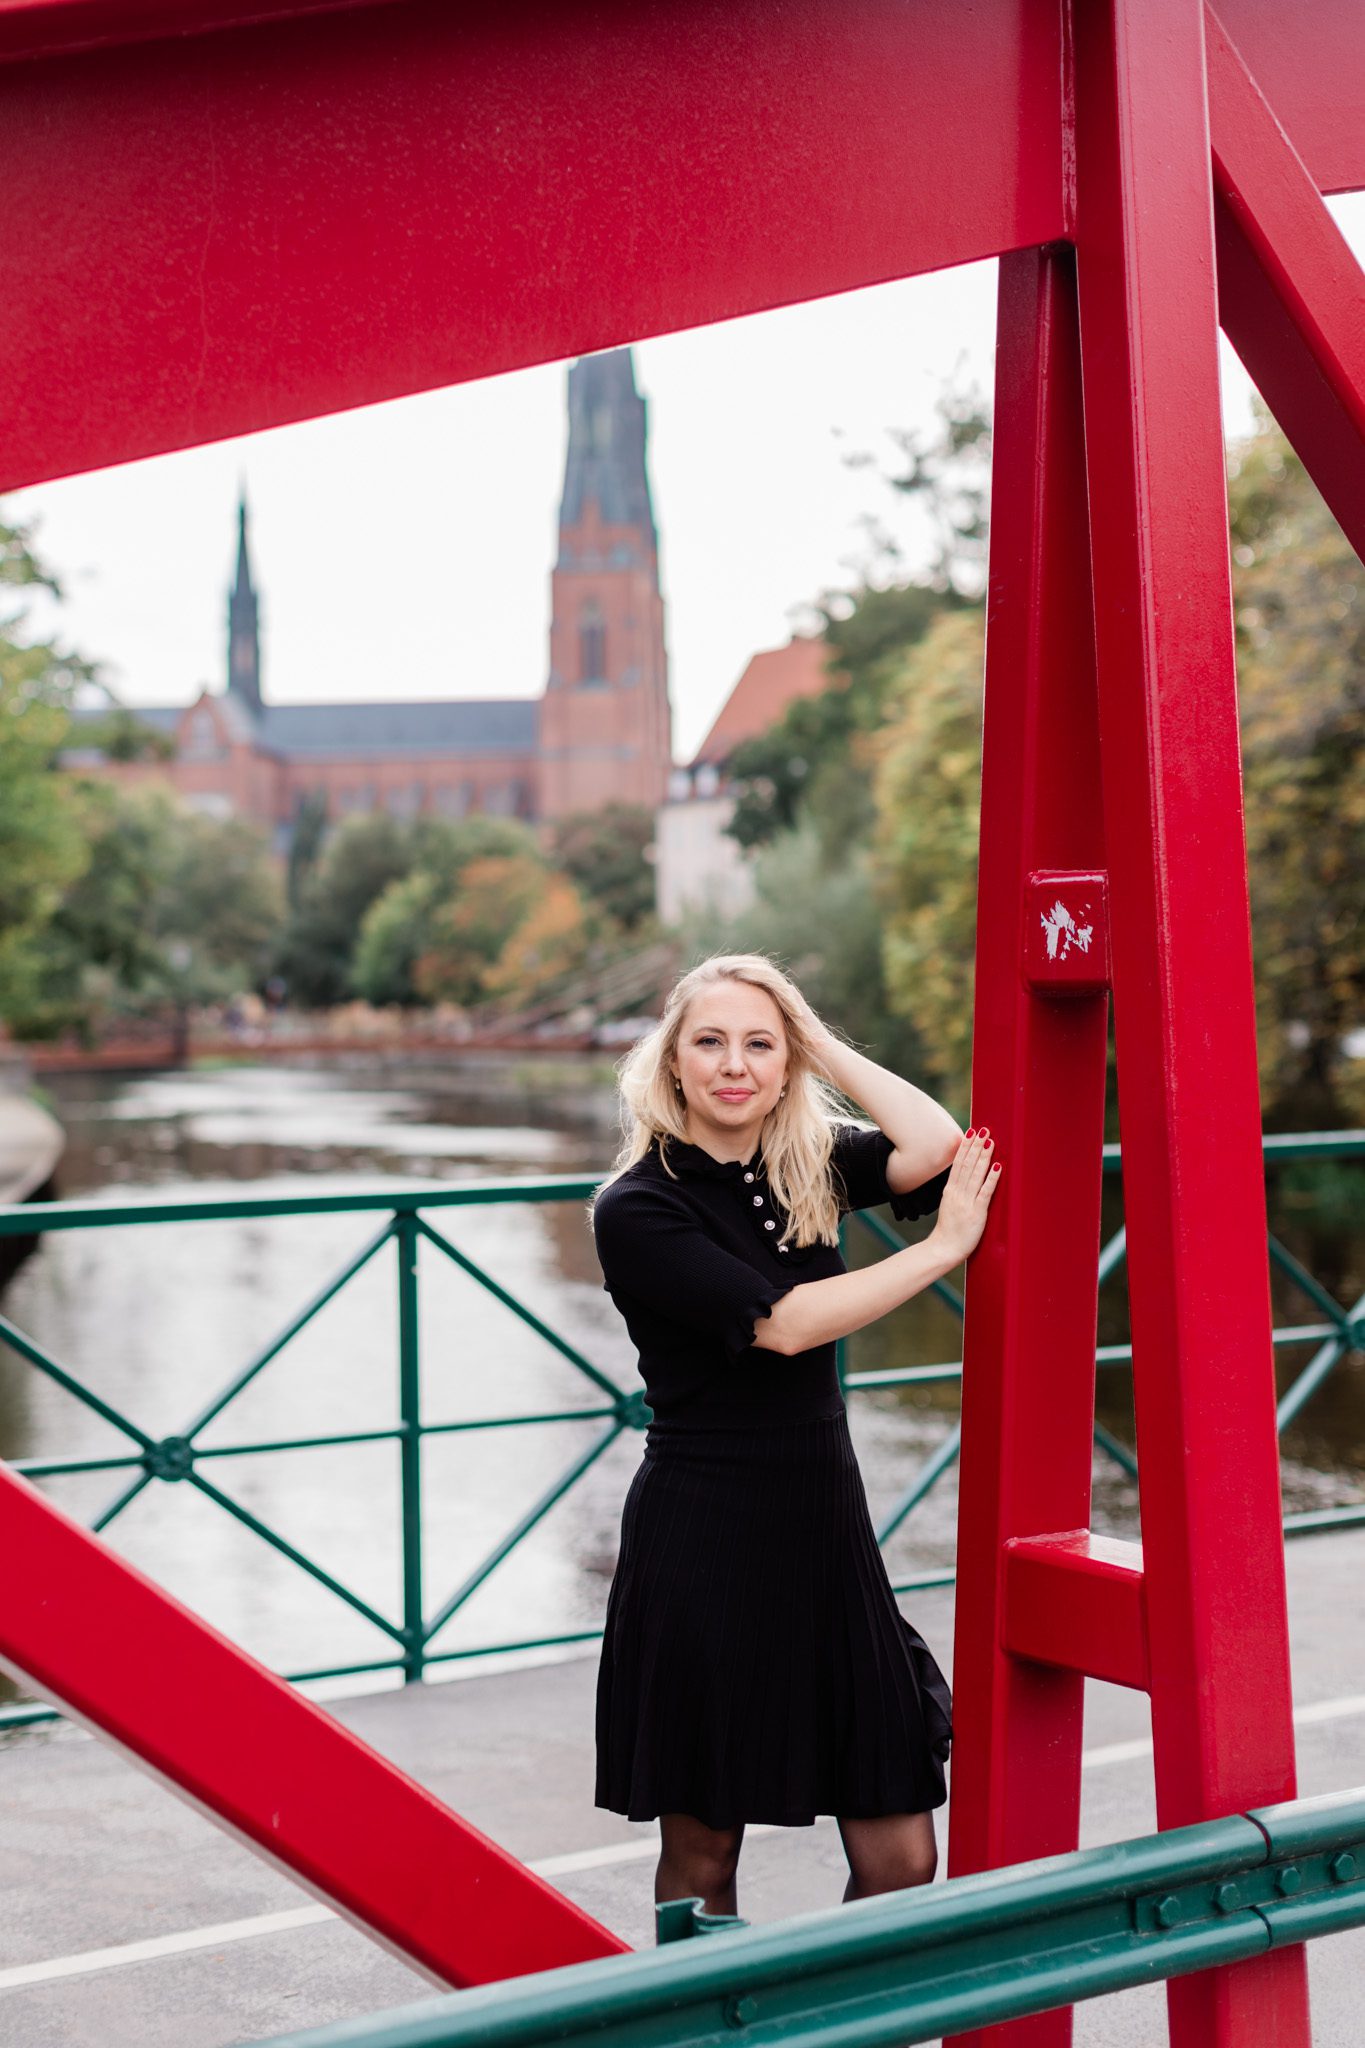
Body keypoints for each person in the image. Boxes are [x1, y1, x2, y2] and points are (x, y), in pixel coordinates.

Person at [589, 952, 1002, 1918]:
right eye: (710, 1042)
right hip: (704, 1538)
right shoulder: (638, 1207)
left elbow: (936, 1144)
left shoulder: (805, 1163)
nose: (734, 1065)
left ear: (786, 1065)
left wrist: (813, 1039)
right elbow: (784, 1324)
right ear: (671, 1062)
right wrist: (942, 1249)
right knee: (703, 1861)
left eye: (758, 1045)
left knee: (900, 1853)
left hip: (821, 1530)